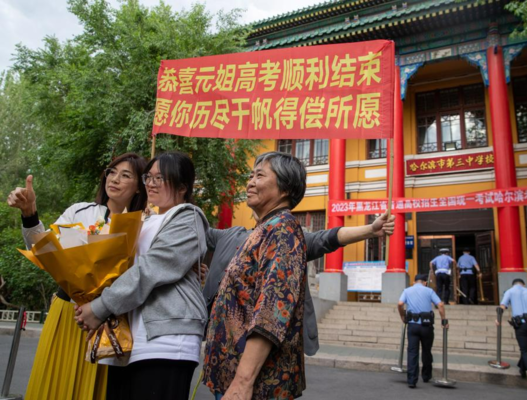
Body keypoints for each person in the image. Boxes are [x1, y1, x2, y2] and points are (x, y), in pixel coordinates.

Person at [6, 152, 147, 400]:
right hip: (66, 314)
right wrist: (30, 213)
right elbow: (43, 250)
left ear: (138, 187)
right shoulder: (79, 211)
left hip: (107, 322)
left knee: (92, 391)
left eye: (125, 175)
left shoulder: (145, 226)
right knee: (53, 383)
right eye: (111, 172)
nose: (114, 179)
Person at [75, 151, 209, 400]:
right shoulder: (142, 221)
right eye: (149, 177)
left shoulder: (188, 217)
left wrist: (101, 306)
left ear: (182, 186)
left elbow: (152, 269)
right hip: (127, 344)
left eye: (161, 178)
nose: (151, 183)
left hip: (166, 343)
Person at [203, 213, 395, 356]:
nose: (253, 184)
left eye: (260, 176)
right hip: (222, 348)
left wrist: (370, 229)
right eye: (252, 177)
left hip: (266, 349)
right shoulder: (230, 235)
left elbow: (326, 238)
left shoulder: (290, 236)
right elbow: (195, 231)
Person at [202, 151, 308, 400]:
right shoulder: (264, 228)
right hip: (232, 377)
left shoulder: (282, 230)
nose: (249, 182)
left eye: (259, 176)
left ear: (284, 187)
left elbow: (272, 311)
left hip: (256, 386)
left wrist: (242, 382)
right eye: (250, 175)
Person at [397, 273, 447, 389]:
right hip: (426, 326)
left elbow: (400, 304)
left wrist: (402, 316)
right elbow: (440, 304)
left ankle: (411, 380)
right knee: (426, 350)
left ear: (414, 282)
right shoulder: (429, 291)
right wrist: (443, 320)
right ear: (425, 282)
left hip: (413, 325)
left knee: (412, 352)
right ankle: (426, 375)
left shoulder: (407, 290)